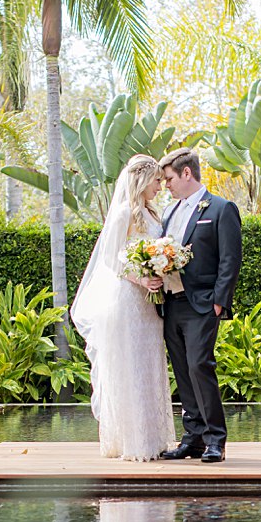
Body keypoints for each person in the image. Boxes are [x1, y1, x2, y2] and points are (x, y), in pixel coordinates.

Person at [69, 154, 175, 461]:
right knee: (130, 367)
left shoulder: (153, 214)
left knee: (149, 365)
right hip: (128, 300)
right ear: (142, 180)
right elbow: (110, 258)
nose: (160, 185)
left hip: (149, 305)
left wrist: (160, 269)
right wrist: (141, 279)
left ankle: (153, 439)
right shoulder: (124, 213)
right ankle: (132, 442)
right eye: (157, 180)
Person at [156, 147, 242, 463]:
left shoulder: (221, 208)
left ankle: (215, 440)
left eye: (169, 179)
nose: (166, 185)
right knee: (182, 370)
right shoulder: (169, 213)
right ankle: (191, 439)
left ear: (186, 173)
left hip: (203, 304)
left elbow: (231, 259)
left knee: (199, 366)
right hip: (171, 303)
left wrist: (220, 302)